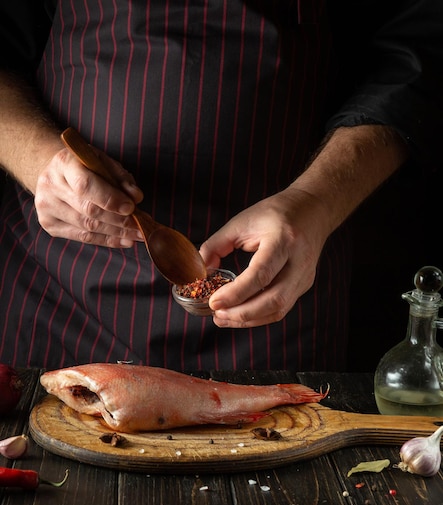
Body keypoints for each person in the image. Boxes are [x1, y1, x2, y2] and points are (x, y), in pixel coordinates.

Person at [0, 1, 442, 372]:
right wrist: (37, 159)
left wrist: (315, 202)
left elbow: (417, 53)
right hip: (62, 291)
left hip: (279, 282)